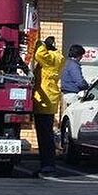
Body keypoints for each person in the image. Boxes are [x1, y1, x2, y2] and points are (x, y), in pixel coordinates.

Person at [32, 36, 65, 178]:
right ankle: (46, 165)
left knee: (45, 136)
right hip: (46, 100)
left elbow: (40, 54)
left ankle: (48, 166)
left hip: (45, 101)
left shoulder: (51, 58)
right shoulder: (56, 57)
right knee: (44, 135)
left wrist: (39, 43)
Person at [61, 44, 89, 110]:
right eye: (81, 55)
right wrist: (88, 86)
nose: (81, 57)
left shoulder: (67, 63)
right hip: (72, 95)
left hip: (66, 93)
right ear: (78, 55)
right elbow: (80, 82)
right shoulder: (74, 66)